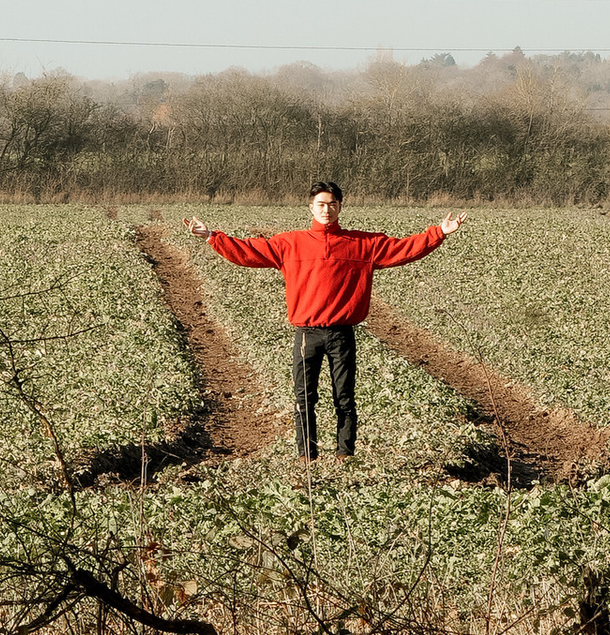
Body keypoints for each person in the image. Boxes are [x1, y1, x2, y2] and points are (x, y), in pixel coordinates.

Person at [184, 182, 467, 458]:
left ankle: (345, 454)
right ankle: (306, 456)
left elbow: (403, 249)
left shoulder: (362, 244)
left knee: (344, 397)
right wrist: (211, 236)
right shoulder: (290, 243)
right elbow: (248, 252)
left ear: (340, 207)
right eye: (321, 204)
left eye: (332, 204)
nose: (326, 210)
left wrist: (439, 232)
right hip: (307, 333)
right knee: (303, 399)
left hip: (342, 333)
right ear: (310, 208)